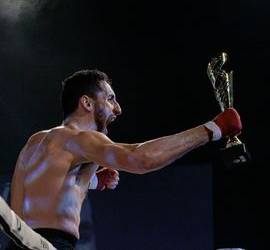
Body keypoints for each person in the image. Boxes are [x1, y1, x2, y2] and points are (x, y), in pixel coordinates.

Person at [6, 69, 242, 249]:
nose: (117, 108)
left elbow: (35, 191)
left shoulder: (35, 142)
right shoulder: (82, 138)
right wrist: (212, 129)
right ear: (87, 103)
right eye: (110, 98)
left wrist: (93, 181)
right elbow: (141, 159)